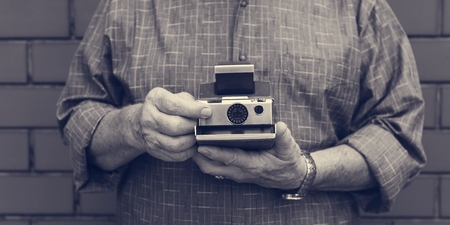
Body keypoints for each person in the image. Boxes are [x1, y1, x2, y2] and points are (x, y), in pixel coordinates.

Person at [56, 0, 426, 224]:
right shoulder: (128, 6)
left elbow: (398, 132)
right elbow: (79, 115)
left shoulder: (358, 7)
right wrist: (135, 128)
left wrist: (305, 171)